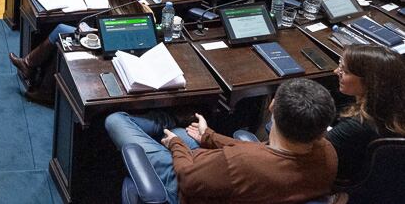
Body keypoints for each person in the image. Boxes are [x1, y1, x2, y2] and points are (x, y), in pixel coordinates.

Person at [104, 78, 337, 204]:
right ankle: (172, 122)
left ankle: (168, 121)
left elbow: (188, 179)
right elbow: (259, 152)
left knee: (116, 120)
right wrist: (209, 136)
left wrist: (176, 146)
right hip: (228, 180)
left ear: (272, 106)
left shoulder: (239, 162)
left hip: (183, 186)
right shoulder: (327, 152)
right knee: (183, 132)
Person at [8, 0, 145, 105]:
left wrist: (90, 32)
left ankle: (33, 72)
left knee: (61, 38)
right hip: (112, 46)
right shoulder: (142, 8)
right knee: (61, 33)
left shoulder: (116, 16)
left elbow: (112, 41)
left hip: (108, 54)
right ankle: (31, 69)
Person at [328, 45, 405, 182]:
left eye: (345, 71)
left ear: (370, 81)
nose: (336, 71)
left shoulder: (355, 127)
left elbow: (312, 153)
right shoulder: (395, 108)